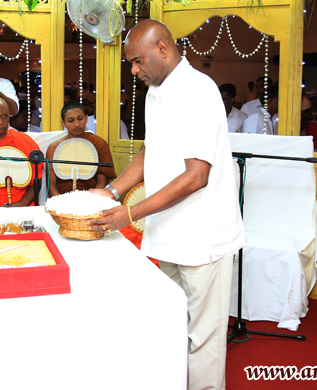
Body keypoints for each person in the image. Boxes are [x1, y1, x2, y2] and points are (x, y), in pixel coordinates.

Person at [87, 20, 244, 390]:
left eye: (138, 61)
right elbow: (150, 151)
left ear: (163, 49)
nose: (134, 70)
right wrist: (111, 191)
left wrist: (128, 213)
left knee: (202, 340)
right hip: (169, 234)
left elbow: (196, 176)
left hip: (203, 238)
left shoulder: (197, 92)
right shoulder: (156, 92)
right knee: (170, 327)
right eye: (131, 64)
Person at [46, 102, 116, 196]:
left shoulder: (99, 144)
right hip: (62, 199)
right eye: (71, 121)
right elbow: (51, 184)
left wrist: (87, 201)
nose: (76, 124)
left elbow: (102, 181)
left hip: (91, 199)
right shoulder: (54, 148)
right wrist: (59, 203)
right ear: (64, 123)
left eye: (80, 119)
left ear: (86, 118)